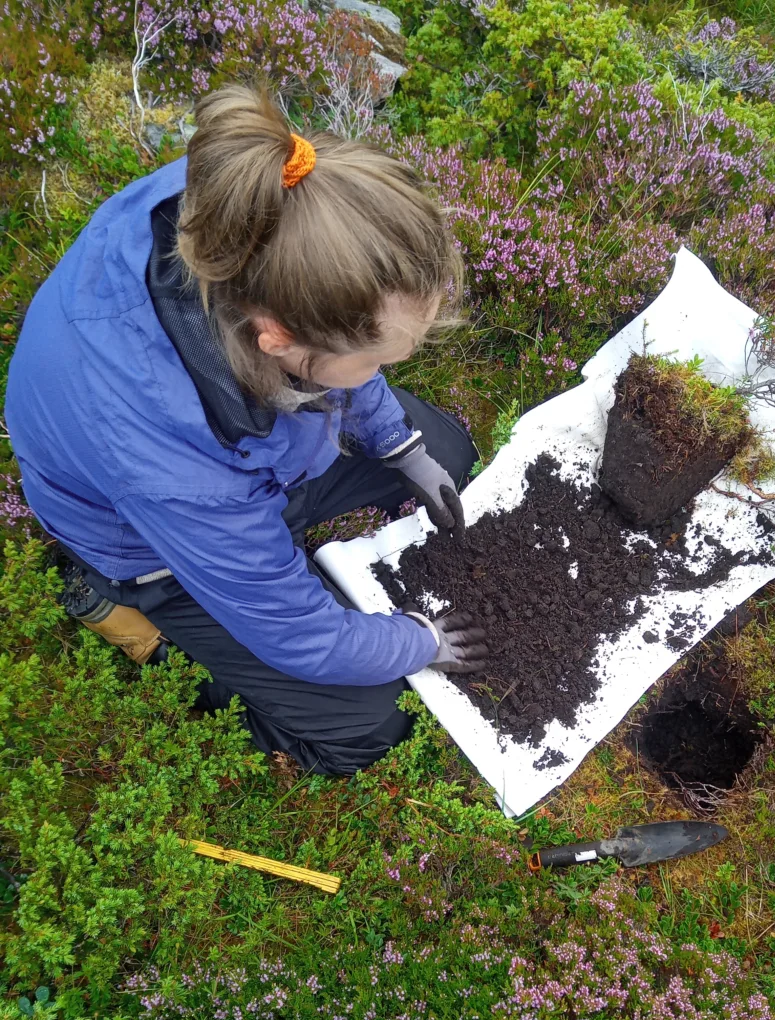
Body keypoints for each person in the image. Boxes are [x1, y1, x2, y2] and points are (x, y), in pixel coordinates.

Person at [5, 85, 487, 775]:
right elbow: (300, 636)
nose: (382, 370)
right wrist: (417, 638)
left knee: (448, 453)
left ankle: (299, 518)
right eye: (375, 360)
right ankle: (138, 628)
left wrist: (399, 445)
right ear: (278, 337)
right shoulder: (175, 468)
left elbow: (341, 348)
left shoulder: (261, 202)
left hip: (252, 445)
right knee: (374, 720)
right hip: (150, 544)